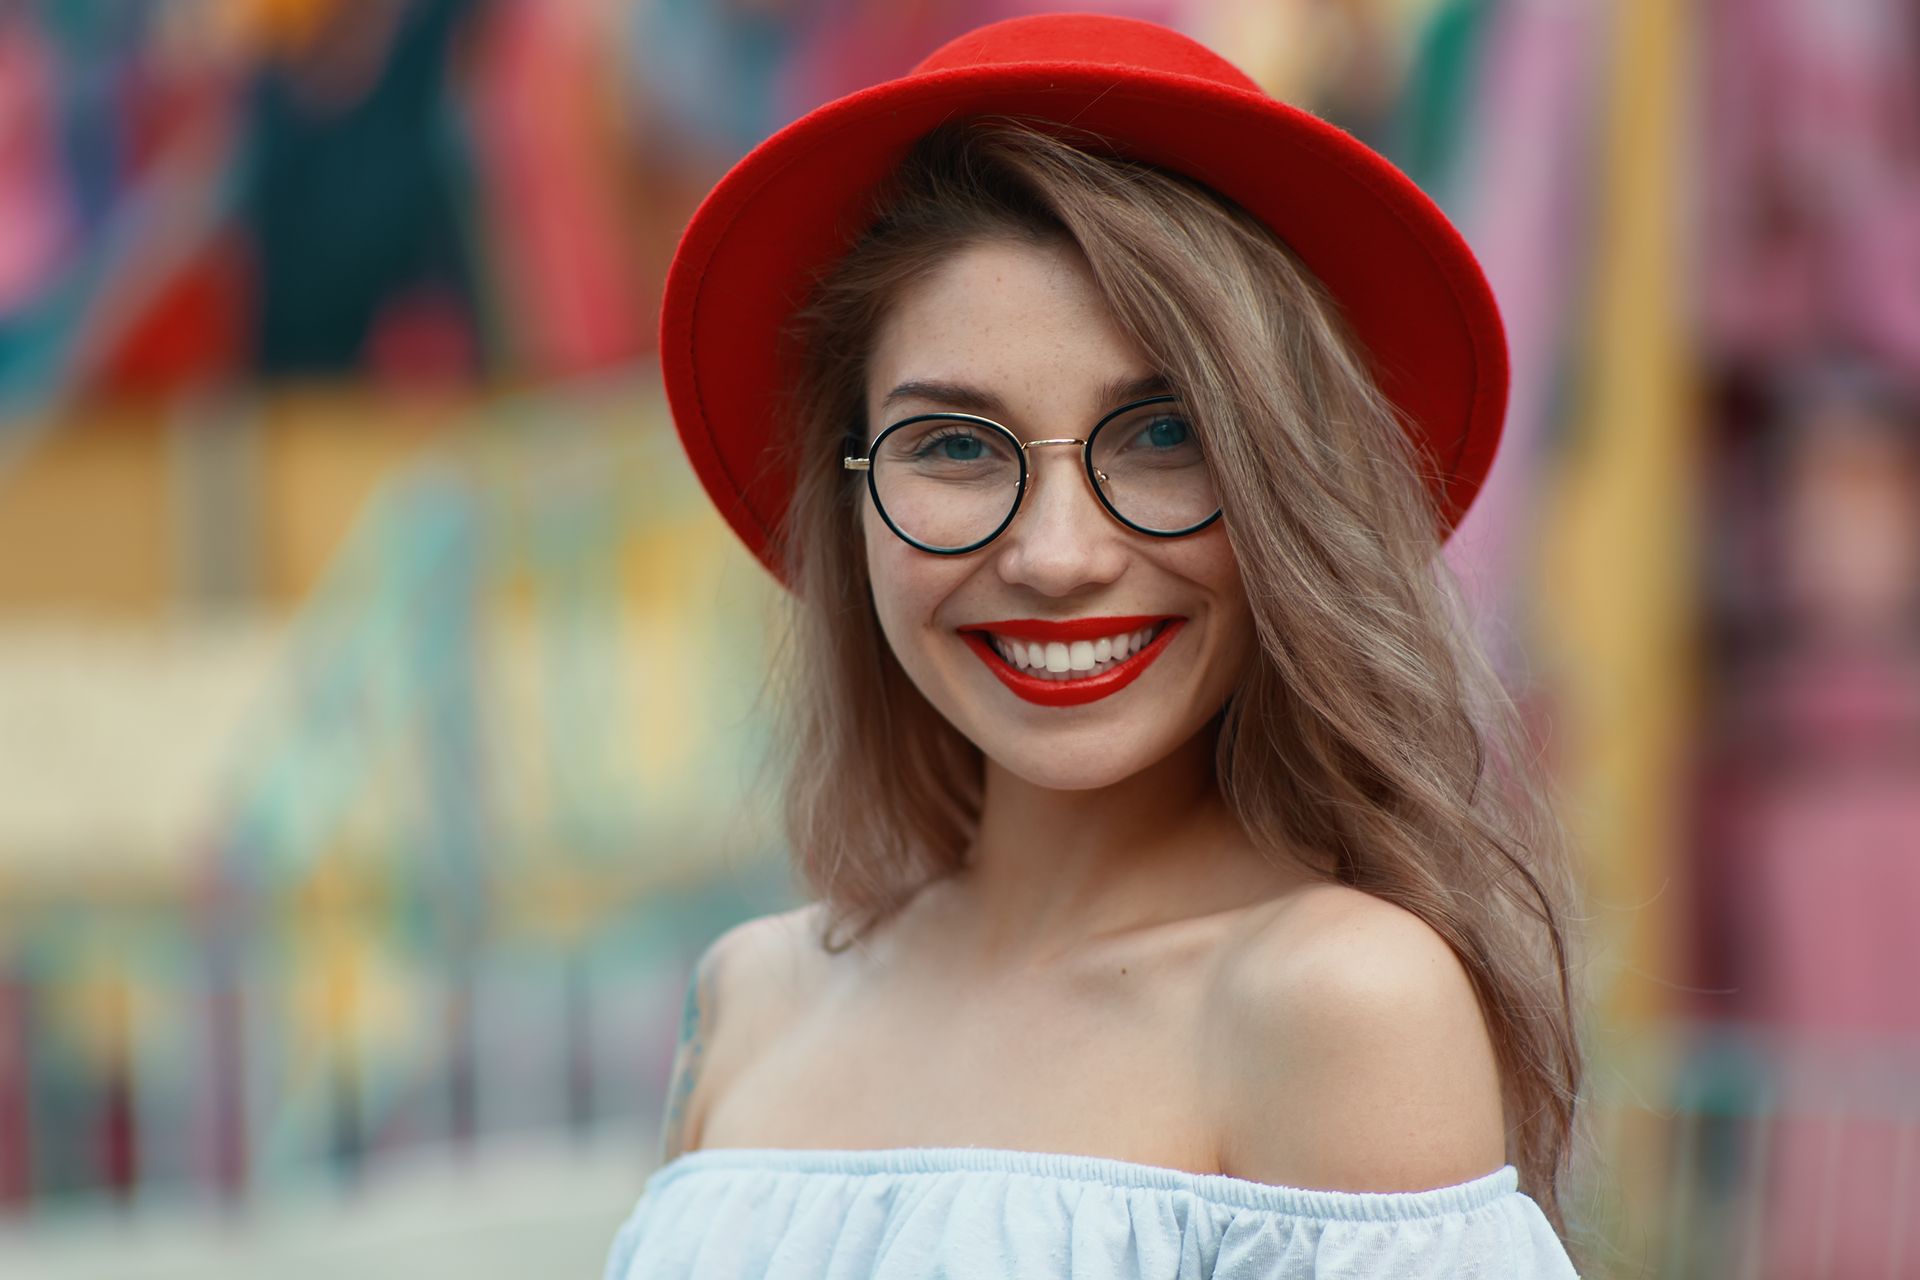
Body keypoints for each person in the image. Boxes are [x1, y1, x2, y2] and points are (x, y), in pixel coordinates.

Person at [605, 12, 1587, 1278]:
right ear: (849, 498)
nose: (1057, 555)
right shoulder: (749, 994)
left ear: (1288, 487)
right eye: (955, 445)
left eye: (1164, 434)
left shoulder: (1336, 1003)